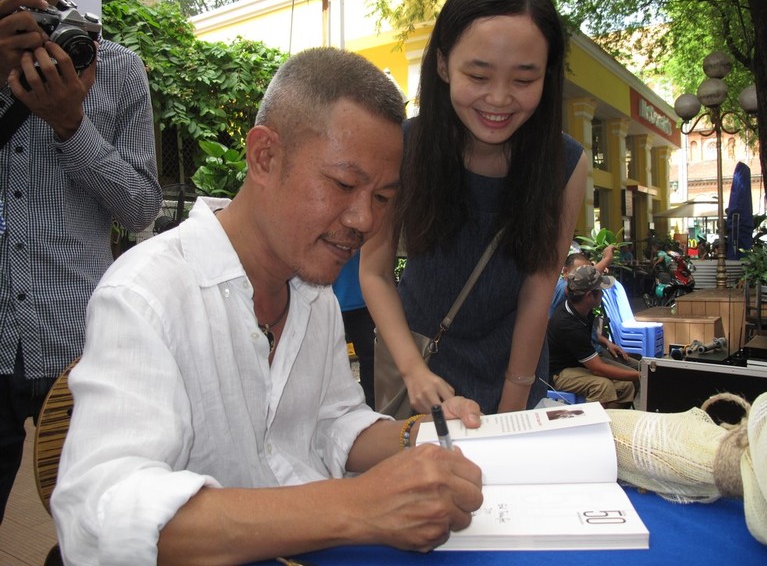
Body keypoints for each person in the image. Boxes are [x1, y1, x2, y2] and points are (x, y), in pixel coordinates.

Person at [51, 47, 484, 565]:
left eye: (383, 197)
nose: (365, 219)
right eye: (344, 184)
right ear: (264, 157)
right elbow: (99, 518)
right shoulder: (145, 296)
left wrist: (425, 434)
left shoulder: (314, 293)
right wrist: (355, 507)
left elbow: (333, 423)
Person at [360, 0, 588, 415]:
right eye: (478, 75)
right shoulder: (402, 147)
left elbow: (538, 291)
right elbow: (375, 271)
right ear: (444, 64)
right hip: (419, 370)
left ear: (547, 75)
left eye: (524, 80)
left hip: (516, 376)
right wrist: (413, 371)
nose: (499, 99)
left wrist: (512, 404)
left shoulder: (566, 163)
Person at [0, 0, 161, 523]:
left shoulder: (116, 67)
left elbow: (141, 207)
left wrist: (72, 123)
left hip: (77, 343)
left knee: (98, 530)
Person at [547, 265, 639, 409]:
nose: (603, 294)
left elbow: (585, 335)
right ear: (589, 295)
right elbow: (597, 368)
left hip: (578, 363)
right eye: (601, 291)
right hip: (558, 373)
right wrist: (641, 376)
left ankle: (615, 423)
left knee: (626, 385)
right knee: (602, 386)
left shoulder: (582, 309)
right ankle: (591, 426)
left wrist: (606, 342)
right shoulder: (567, 324)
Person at [332, 250, 376, 408]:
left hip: (361, 300)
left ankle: (372, 409)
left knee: (372, 358)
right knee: (329, 361)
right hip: (326, 300)